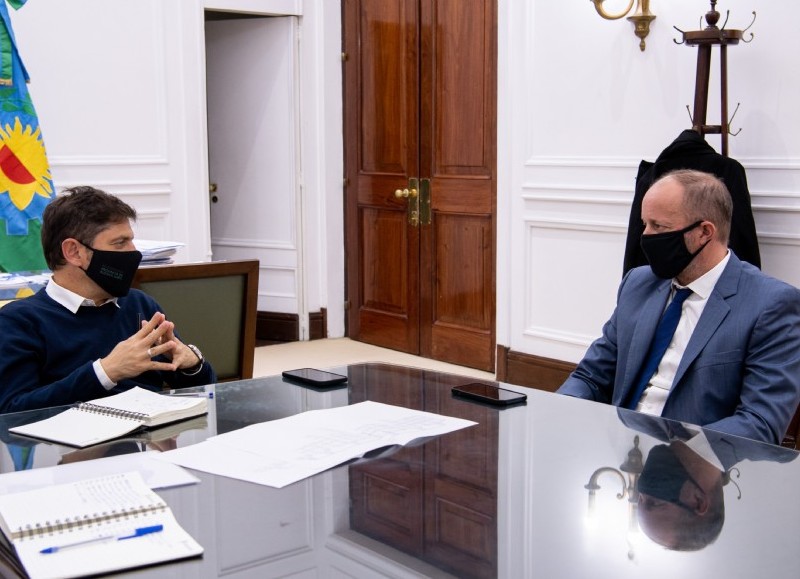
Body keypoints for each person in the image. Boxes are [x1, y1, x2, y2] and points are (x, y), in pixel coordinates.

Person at [557, 169, 800, 445]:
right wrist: (558, 414)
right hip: (620, 455)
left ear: (704, 233)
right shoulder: (638, 283)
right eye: (644, 224)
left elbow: (760, 422)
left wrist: (677, 459)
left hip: (696, 470)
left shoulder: (771, 304)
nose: (645, 237)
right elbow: (591, 376)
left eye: (659, 227)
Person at [0, 186, 216, 413]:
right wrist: (105, 372)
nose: (134, 253)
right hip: (69, 444)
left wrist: (193, 363)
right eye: (120, 243)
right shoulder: (19, 322)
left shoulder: (140, 305)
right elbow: (12, 412)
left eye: (132, 241)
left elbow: (201, 392)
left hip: (150, 440)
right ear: (74, 252)